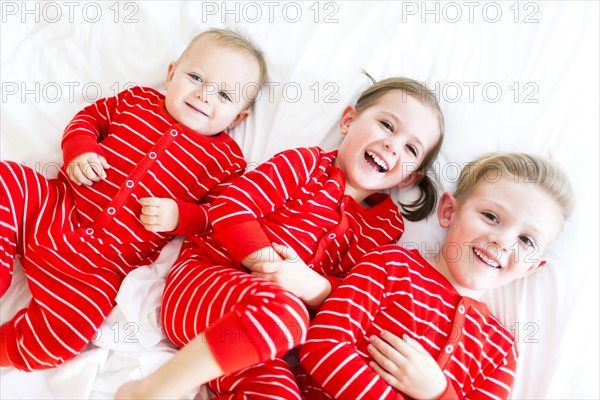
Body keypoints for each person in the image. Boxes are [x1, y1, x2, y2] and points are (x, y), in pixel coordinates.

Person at [115, 76, 446, 399]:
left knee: (280, 389)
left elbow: (358, 300)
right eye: (387, 126)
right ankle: (147, 391)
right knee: (286, 312)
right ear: (348, 120)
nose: (392, 144)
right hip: (201, 286)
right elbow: (231, 207)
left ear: (410, 178)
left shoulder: (385, 229)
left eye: (410, 148)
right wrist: (267, 262)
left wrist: (315, 288)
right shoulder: (305, 165)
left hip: (257, 341)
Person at [0, 28, 267, 371]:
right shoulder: (137, 100)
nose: (203, 95)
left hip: (99, 267)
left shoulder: (226, 160)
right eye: (196, 77)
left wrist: (180, 216)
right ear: (172, 74)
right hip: (54, 206)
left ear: (239, 118)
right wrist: (79, 153)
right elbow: (87, 120)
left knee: (63, 338)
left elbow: (216, 215)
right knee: (9, 177)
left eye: (225, 96)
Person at [297, 152, 574, 399]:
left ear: (531, 267)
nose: (502, 241)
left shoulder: (499, 352)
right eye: (491, 216)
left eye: (526, 240)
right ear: (448, 211)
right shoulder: (389, 265)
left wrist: (437, 394)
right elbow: (322, 347)